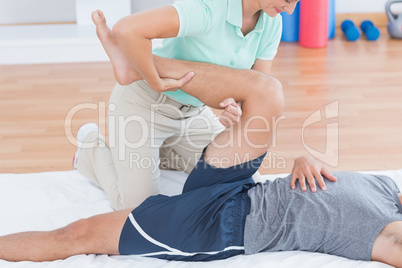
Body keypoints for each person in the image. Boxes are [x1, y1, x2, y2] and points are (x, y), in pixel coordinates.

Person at [1, 72, 401, 268]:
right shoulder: (384, 185)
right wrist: (303, 159)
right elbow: (319, 184)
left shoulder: (392, 232)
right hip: (245, 185)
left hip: (223, 225)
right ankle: (143, 64)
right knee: (265, 96)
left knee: (78, 233)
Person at [74, 0, 300, 210]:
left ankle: (158, 149)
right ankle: (89, 149)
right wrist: (155, 81)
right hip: (143, 107)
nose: (291, 10)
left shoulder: (272, 23)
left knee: (244, 186)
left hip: (193, 115)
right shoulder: (210, 7)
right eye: (289, 0)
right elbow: (126, 29)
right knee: (139, 211)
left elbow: (255, 87)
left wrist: (235, 111)